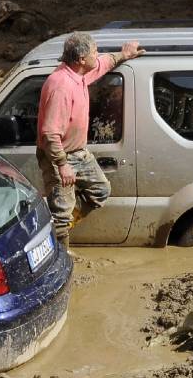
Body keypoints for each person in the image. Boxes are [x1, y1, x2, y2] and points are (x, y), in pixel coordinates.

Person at [36, 32, 143, 249]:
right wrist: (62, 165)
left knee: (100, 190)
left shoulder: (80, 74)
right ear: (82, 59)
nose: (99, 54)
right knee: (61, 214)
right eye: (95, 51)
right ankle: (60, 256)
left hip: (77, 152)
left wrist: (123, 55)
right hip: (60, 156)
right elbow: (49, 132)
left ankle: (63, 226)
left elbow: (103, 64)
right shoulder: (61, 86)